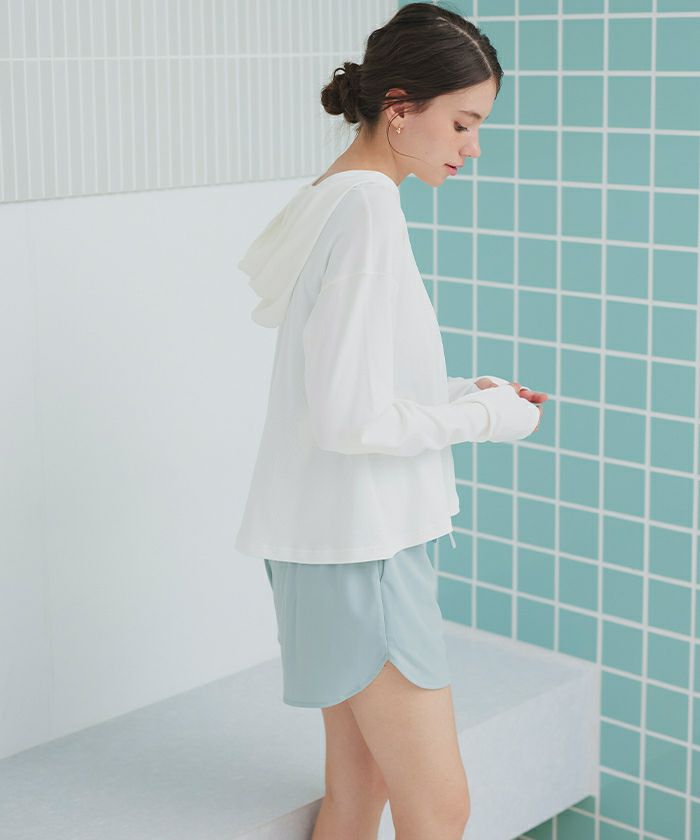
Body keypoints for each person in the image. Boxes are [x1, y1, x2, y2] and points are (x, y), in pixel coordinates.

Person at [235, 4, 548, 838]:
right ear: (401, 110)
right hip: (363, 548)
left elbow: (342, 386)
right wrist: (483, 417)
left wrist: (463, 392)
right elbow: (351, 418)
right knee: (440, 806)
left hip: (326, 541)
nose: (472, 147)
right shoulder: (371, 212)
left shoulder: (331, 198)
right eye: (463, 122)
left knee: (358, 790)